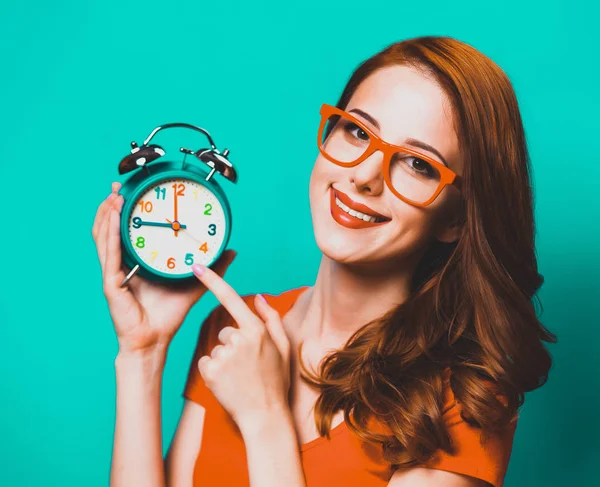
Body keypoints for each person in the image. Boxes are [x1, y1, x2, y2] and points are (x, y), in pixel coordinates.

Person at [92, 36, 556, 487]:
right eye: (357, 131)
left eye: (417, 163)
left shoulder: (464, 402)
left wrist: (265, 419)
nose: (363, 176)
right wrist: (142, 353)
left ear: (455, 218)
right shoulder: (236, 329)